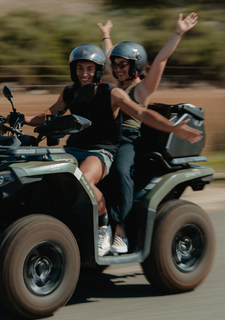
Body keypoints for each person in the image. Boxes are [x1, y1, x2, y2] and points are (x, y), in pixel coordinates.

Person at [23, 43, 202, 257]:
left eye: (89, 69)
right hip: (78, 145)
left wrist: (173, 127)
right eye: (80, 68)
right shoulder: (73, 92)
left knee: (119, 172)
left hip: (117, 143)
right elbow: (49, 113)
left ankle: (118, 229)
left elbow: (141, 113)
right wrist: (19, 119)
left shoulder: (124, 91)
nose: (84, 73)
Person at [96, 13, 199, 254]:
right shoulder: (117, 84)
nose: (117, 68)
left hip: (128, 142)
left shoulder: (141, 89)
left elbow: (161, 60)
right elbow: (110, 55)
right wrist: (106, 35)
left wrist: (178, 33)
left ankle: (120, 232)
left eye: (123, 64)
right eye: (115, 65)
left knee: (121, 172)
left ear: (136, 66)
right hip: (106, 140)